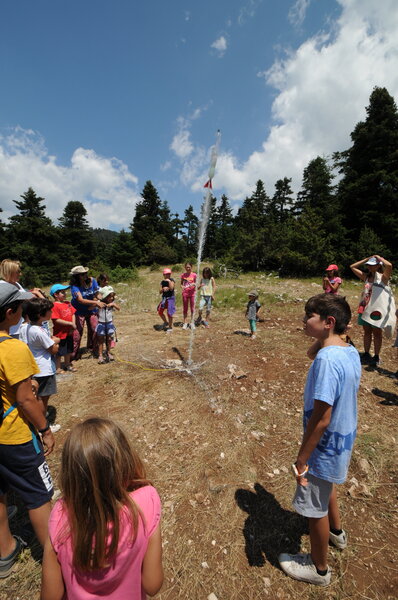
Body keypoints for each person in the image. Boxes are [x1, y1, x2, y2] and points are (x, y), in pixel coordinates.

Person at [278, 293, 360, 586]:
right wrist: (329, 336)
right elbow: (311, 353)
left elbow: (322, 418)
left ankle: (319, 568)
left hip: (322, 446)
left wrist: (302, 458)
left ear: (328, 322)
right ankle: (337, 534)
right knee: (328, 489)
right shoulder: (348, 350)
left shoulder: (328, 361)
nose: (303, 320)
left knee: (314, 509)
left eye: (308, 316)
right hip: (341, 441)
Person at [41, 418, 163, 600]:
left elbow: (51, 595)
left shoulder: (61, 514)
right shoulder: (146, 501)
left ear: (71, 473)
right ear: (124, 459)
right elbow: (152, 585)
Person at [0, 283, 55, 578]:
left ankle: (5, 551)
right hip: (14, 436)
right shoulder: (12, 348)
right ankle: (55, 559)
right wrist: (45, 429)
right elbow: (24, 399)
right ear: (10, 313)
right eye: (20, 306)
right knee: (39, 495)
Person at [22, 298, 61, 434]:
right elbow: (53, 349)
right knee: (42, 400)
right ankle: (43, 425)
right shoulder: (39, 331)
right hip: (44, 370)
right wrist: (55, 341)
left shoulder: (28, 327)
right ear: (40, 314)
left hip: (36, 367)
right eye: (49, 310)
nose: (51, 312)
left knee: (38, 397)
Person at [350, 254, 393, 365]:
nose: (370, 267)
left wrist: (379, 258)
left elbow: (389, 265)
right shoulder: (366, 277)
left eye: (372, 265)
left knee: (377, 333)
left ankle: (377, 356)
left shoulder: (383, 278)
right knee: (367, 332)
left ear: (378, 265)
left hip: (376, 310)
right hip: (365, 308)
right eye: (369, 265)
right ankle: (366, 353)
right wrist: (366, 259)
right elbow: (352, 267)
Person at [0, 259, 45, 338]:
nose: (20, 274)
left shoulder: (16, 284)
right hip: (12, 329)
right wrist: (35, 293)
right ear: (10, 272)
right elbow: (27, 297)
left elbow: (26, 296)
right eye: (17, 272)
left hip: (22, 324)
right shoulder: (3, 285)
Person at [70, 266, 104, 360]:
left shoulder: (92, 281)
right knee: (77, 332)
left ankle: (95, 349)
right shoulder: (74, 286)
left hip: (92, 309)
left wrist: (101, 299)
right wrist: (96, 303)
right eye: (82, 274)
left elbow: (97, 293)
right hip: (78, 311)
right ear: (77, 276)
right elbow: (80, 300)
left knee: (94, 328)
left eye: (85, 273)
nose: (85, 275)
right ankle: (73, 355)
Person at [50, 284, 77, 374]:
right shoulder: (54, 306)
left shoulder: (67, 303)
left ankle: (67, 364)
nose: (65, 294)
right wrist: (70, 323)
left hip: (69, 332)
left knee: (68, 350)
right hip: (60, 333)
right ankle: (58, 368)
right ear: (55, 295)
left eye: (64, 292)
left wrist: (73, 324)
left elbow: (73, 313)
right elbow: (56, 320)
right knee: (59, 351)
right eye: (62, 292)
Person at [96, 286, 120, 364]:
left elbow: (119, 308)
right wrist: (97, 304)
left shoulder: (112, 303)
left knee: (109, 339)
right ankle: (100, 355)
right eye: (110, 297)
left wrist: (113, 304)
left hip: (109, 323)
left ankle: (108, 352)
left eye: (112, 297)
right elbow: (90, 308)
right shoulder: (100, 302)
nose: (111, 298)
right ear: (105, 297)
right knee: (100, 340)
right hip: (101, 324)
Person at [157, 268, 175, 333]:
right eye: (166, 274)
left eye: (169, 274)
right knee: (160, 311)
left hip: (170, 298)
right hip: (164, 298)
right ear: (163, 275)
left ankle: (170, 327)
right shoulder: (162, 282)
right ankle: (165, 322)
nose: (168, 275)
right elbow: (160, 291)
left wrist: (169, 281)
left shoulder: (172, 280)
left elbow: (171, 288)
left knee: (169, 313)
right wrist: (163, 289)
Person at [181, 262, 197, 330]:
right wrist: (182, 287)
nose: (188, 268)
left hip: (192, 294)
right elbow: (181, 284)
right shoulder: (183, 275)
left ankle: (192, 323)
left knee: (192, 308)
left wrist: (194, 284)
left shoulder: (194, 275)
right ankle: (185, 323)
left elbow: (196, 283)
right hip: (185, 293)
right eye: (186, 267)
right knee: (185, 308)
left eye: (189, 267)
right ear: (185, 268)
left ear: (191, 267)